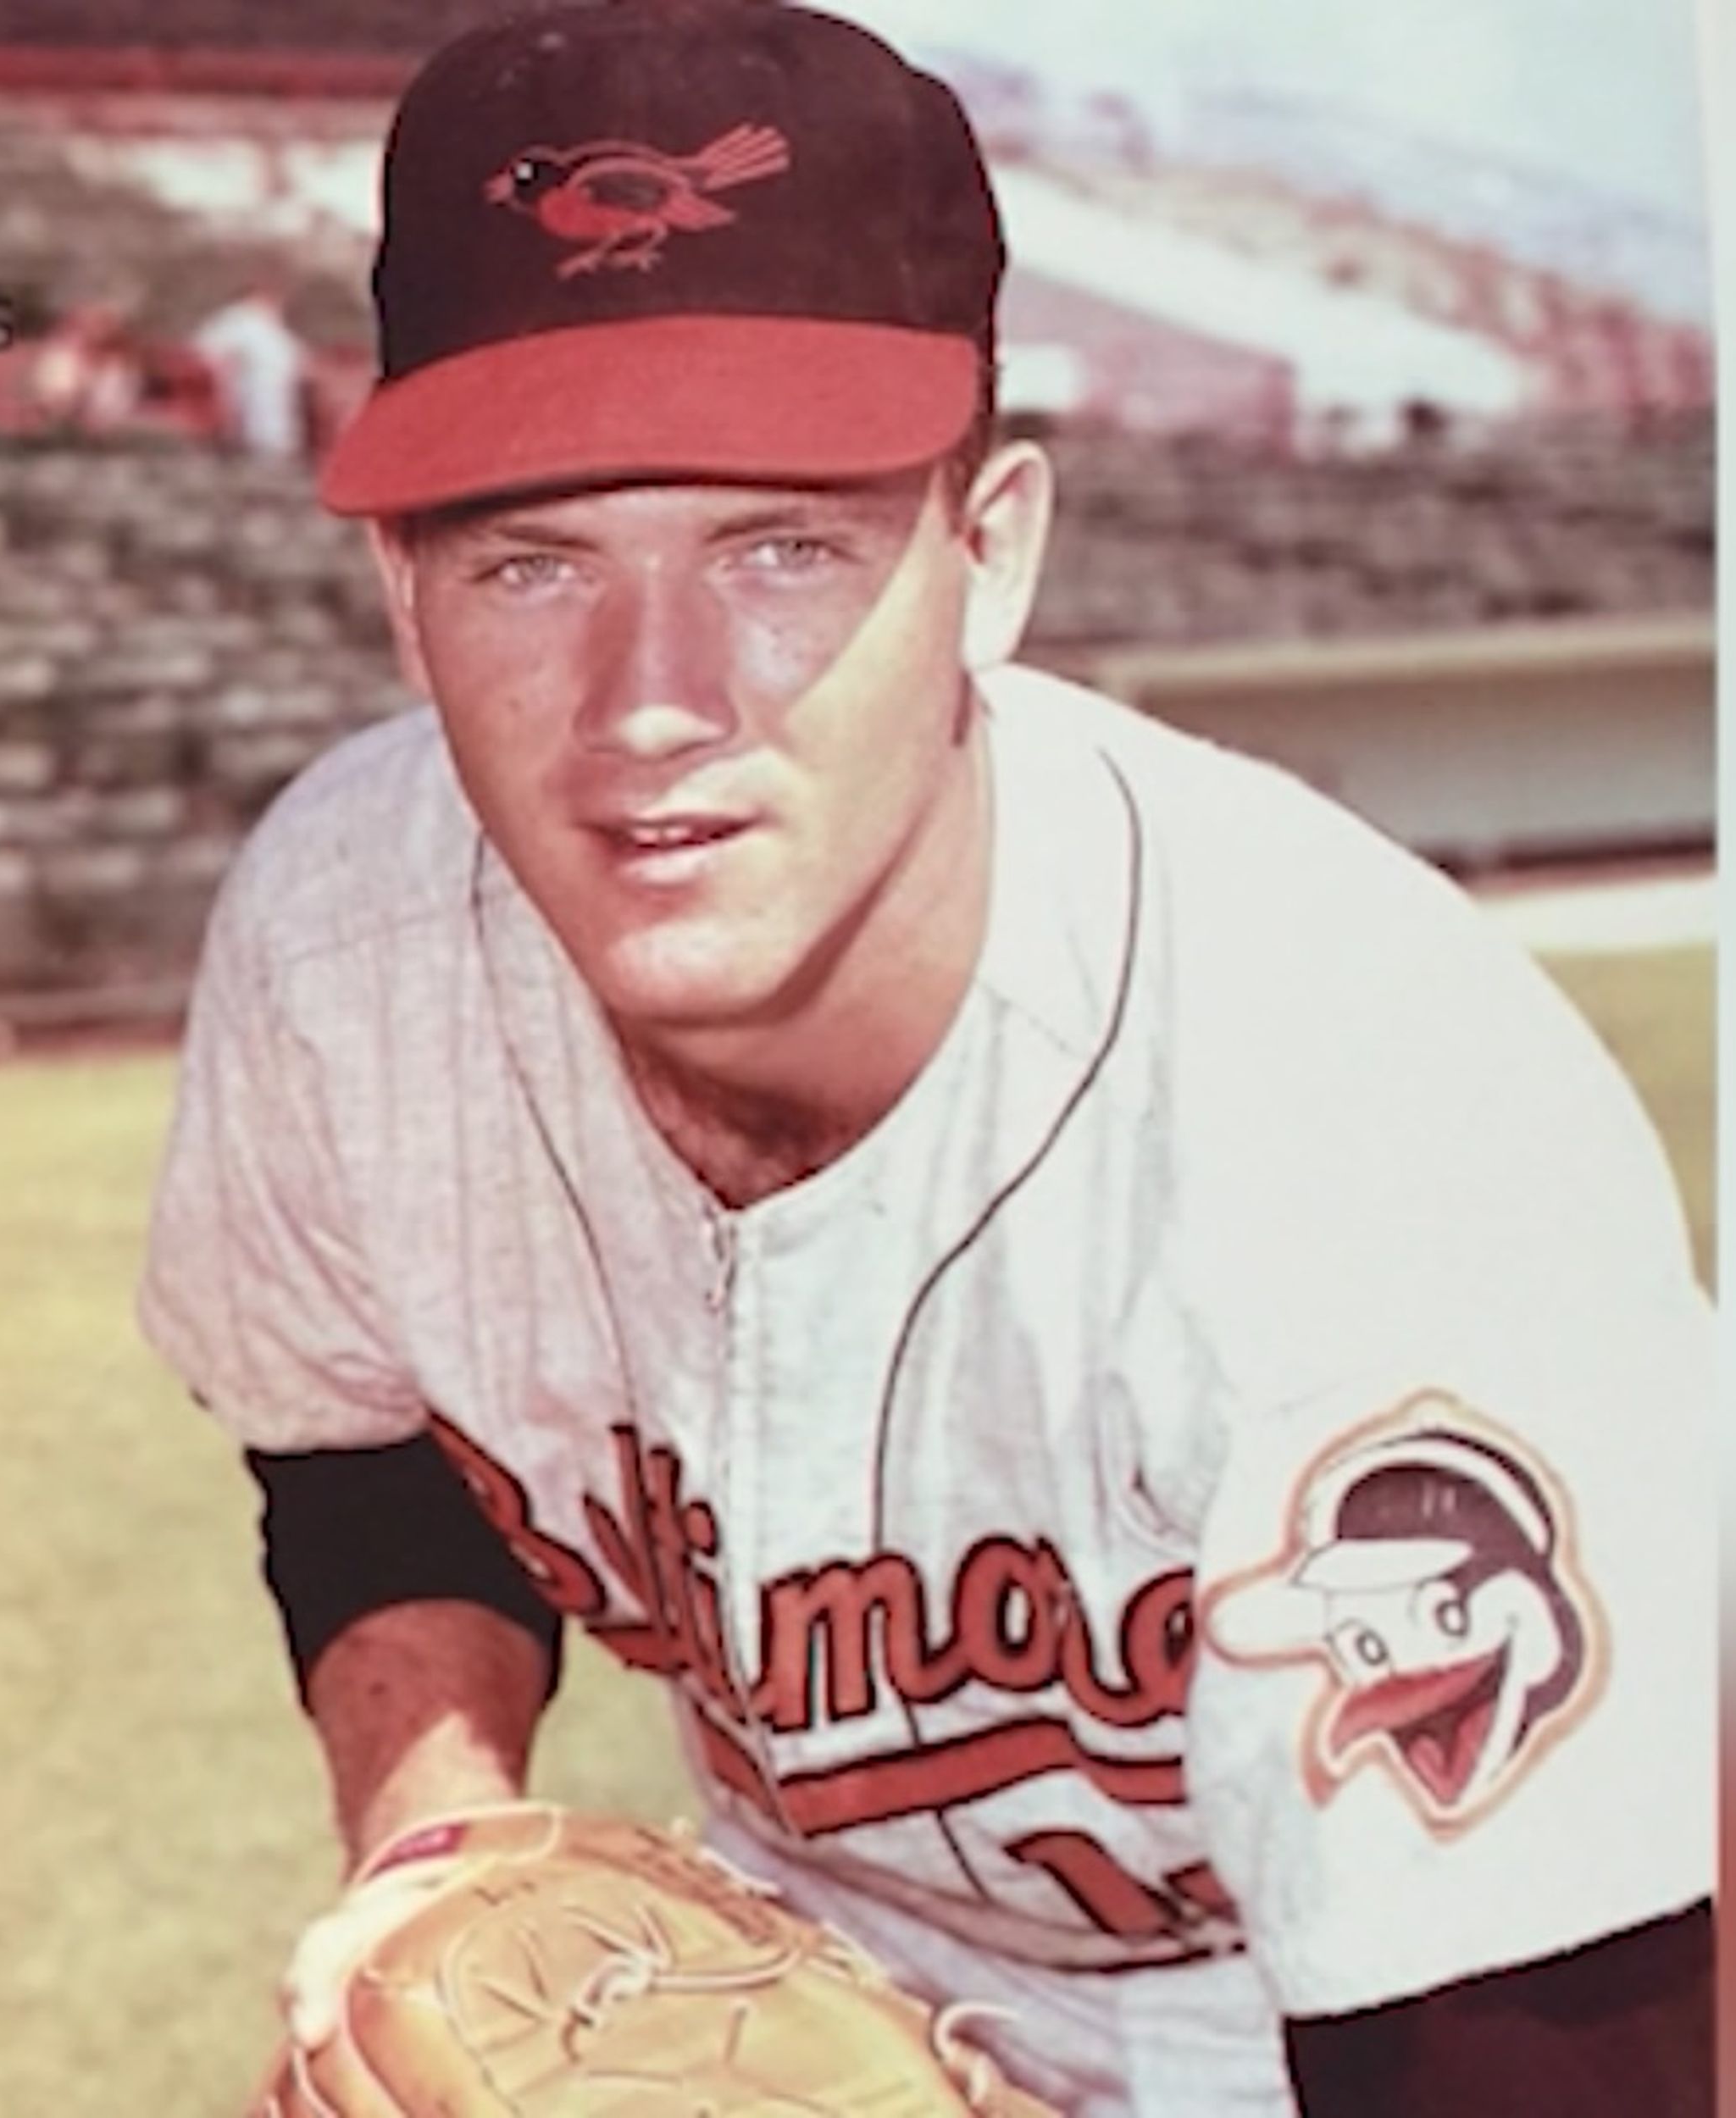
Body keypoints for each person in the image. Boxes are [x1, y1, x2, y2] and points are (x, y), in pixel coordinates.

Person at [138, 5, 1713, 2111]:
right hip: (824, 1979)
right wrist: (437, 1843)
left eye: (784, 549)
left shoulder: (1365, 1130)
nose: (650, 704)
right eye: (533, 564)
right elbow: (360, 1448)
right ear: (399, 599)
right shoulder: (347, 950)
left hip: (1412, 2007)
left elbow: (1541, 2054)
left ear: (994, 557)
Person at [191, 275, 312, 460]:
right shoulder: (238, 318)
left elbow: (293, 352)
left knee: (279, 424)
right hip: (252, 381)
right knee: (262, 425)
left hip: (280, 383)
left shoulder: (270, 323)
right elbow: (207, 348)